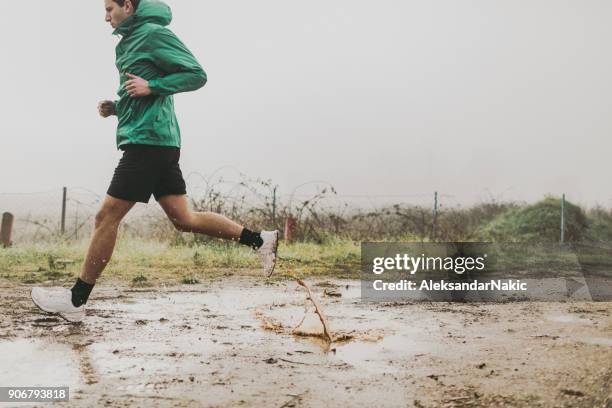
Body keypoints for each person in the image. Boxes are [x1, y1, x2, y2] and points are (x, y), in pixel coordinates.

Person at [30, 0, 278, 323]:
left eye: (110, 9)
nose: (106, 17)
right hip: (156, 141)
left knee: (106, 216)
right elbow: (140, 92)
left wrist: (154, 86)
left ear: (128, 6)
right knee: (184, 218)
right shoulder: (127, 43)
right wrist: (117, 107)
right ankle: (261, 240)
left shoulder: (152, 34)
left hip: (149, 142)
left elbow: (196, 74)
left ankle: (76, 300)